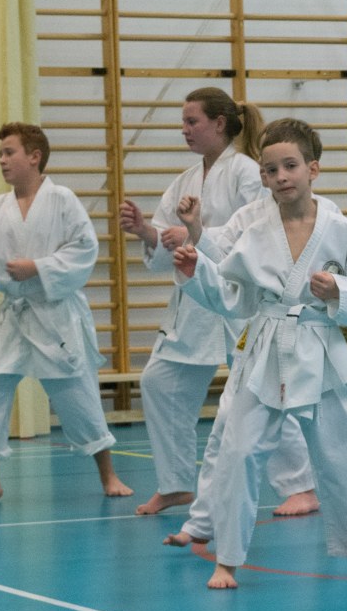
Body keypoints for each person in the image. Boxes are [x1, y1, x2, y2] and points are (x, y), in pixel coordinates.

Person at [171, 117, 347, 588]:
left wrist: (338, 289)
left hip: (320, 345)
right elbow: (230, 287)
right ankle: (227, 559)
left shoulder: (337, 227)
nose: (280, 177)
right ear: (262, 175)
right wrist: (197, 267)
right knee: (239, 452)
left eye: (290, 166)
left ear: (313, 169)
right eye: (270, 169)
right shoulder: (252, 224)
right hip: (266, 344)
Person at [119, 88, 320, 520]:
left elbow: (257, 230)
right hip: (196, 300)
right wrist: (145, 232)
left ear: (220, 124)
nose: (185, 129)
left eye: (192, 121)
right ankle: (175, 483)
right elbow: (166, 243)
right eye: (184, 121)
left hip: (241, 298)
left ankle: (300, 486)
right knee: (159, 382)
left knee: (260, 390)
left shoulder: (249, 172)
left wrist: (196, 233)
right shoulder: (185, 180)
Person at [0, 122, 133, 503]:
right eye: (0, 154)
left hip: (54, 314)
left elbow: (85, 249)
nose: (2, 160)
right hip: (15, 314)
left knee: (76, 394)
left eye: (9, 152)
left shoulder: (62, 200)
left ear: (34, 156)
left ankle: (109, 475)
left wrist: (39, 268)